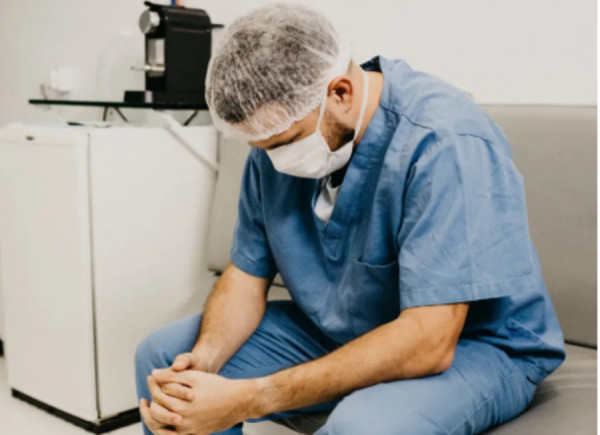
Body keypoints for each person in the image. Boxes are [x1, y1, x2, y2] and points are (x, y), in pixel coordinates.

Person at [134, 3, 566, 434]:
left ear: (340, 92)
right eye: (262, 147)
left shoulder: (443, 142)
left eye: (283, 143)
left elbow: (429, 342)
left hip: (475, 344)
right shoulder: (278, 139)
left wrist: (250, 396)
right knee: (166, 364)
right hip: (349, 327)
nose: (275, 161)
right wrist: (203, 362)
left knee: (362, 427)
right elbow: (247, 275)